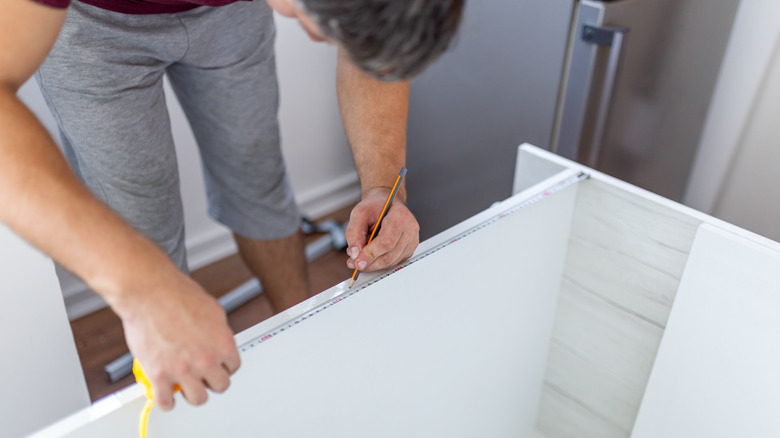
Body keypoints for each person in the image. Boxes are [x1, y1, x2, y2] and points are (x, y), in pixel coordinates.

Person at [0, 0, 463, 412]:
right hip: (94, 24)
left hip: (228, 13)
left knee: (257, 180)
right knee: (141, 236)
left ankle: (304, 336)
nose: (320, 39)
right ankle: (183, 411)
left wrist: (384, 187)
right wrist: (142, 288)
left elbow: (373, 46)